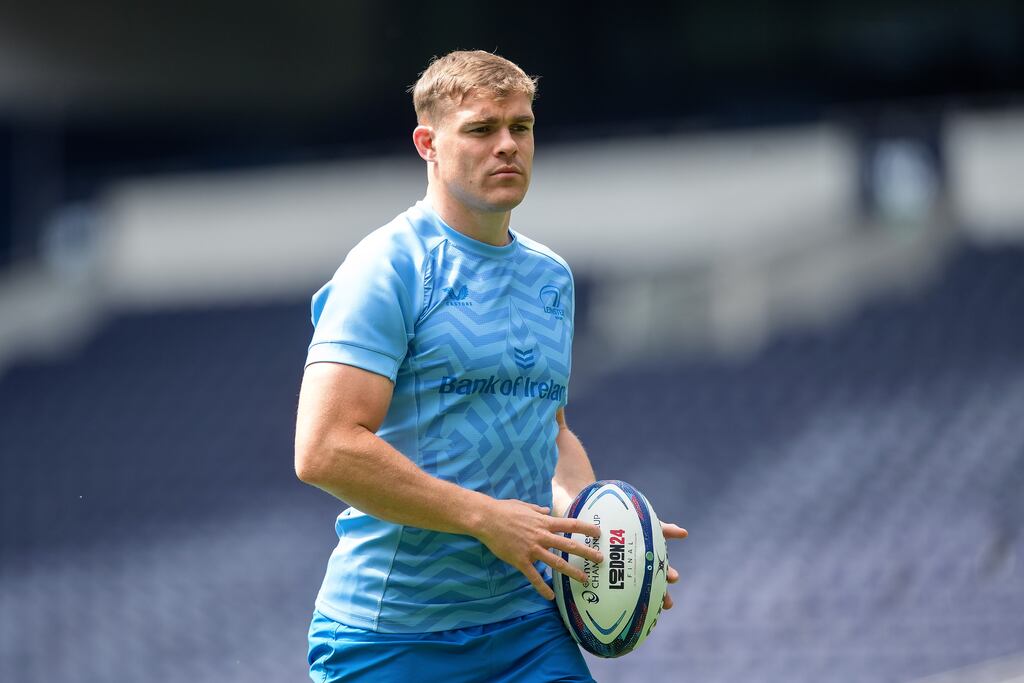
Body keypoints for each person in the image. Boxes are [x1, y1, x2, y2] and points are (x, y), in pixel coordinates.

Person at [294, 49, 687, 683]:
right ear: (428, 143)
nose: (507, 145)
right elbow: (324, 449)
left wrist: (602, 533)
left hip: (527, 627)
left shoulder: (550, 277)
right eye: (481, 129)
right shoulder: (386, 268)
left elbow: (549, 431)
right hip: (390, 637)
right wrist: (484, 517)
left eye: (521, 127)